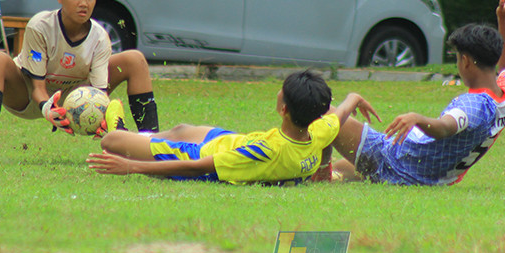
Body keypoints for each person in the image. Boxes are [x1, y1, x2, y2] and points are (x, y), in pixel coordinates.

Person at [0, 0, 159, 163]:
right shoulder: (40, 26)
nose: (84, 3)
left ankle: (152, 146)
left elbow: (98, 94)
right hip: (28, 95)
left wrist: (104, 118)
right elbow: (38, 87)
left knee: (134, 60)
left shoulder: (100, 37)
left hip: (74, 99)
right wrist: (47, 108)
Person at [324, 0, 505, 185]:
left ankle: (311, 166)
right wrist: (503, 19)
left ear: (466, 61)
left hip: (393, 162)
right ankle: (324, 174)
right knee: (339, 170)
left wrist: (417, 118)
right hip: (423, 170)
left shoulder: (473, 105)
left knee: (323, 111)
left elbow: (445, 127)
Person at [86, 69, 377, 185]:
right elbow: (340, 113)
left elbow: (196, 167)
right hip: (231, 139)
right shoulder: (317, 132)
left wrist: (131, 166)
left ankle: (120, 128)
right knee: (181, 127)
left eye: (282, 92)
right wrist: (355, 97)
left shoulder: (267, 151)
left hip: (201, 153)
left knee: (111, 142)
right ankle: (138, 139)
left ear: (284, 109)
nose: (278, 93)